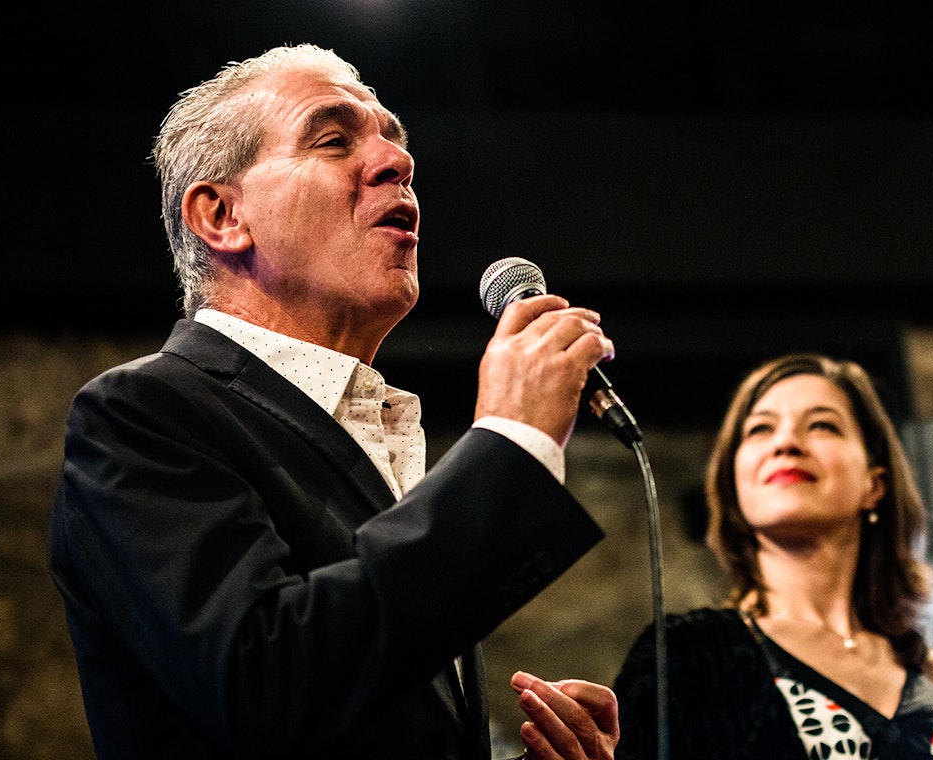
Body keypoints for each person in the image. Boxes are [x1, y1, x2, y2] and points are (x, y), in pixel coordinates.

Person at [48, 43, 619, 760]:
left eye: (394, 140)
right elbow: (267, 690)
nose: (397, 162)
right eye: (333, 139)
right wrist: (508, 443)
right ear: (222, 215)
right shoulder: (142, 414)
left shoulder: (363, 430)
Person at [613, 353, 933, 760]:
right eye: (761, 429)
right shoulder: (689, 656)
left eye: (822, 425)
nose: (785, 444)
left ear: (875, 483)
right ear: (734, 485)